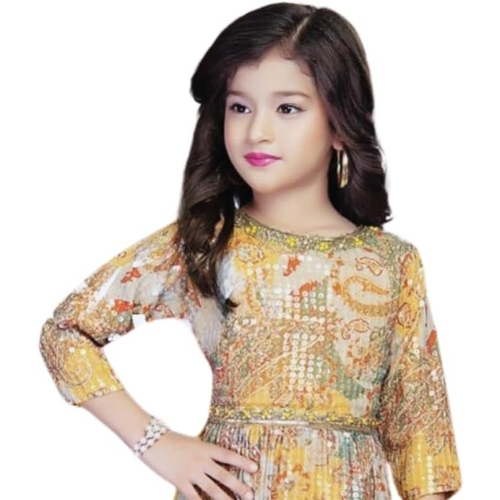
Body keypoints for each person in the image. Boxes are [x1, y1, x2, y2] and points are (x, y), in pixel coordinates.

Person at [39, 3, 462, 499]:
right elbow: (65, 333)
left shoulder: (391, 265)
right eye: (240, 107)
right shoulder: (207, 243)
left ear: (340, 124)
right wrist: (156, 443)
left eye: (288, 109)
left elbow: (422, 436)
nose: (257, 131)